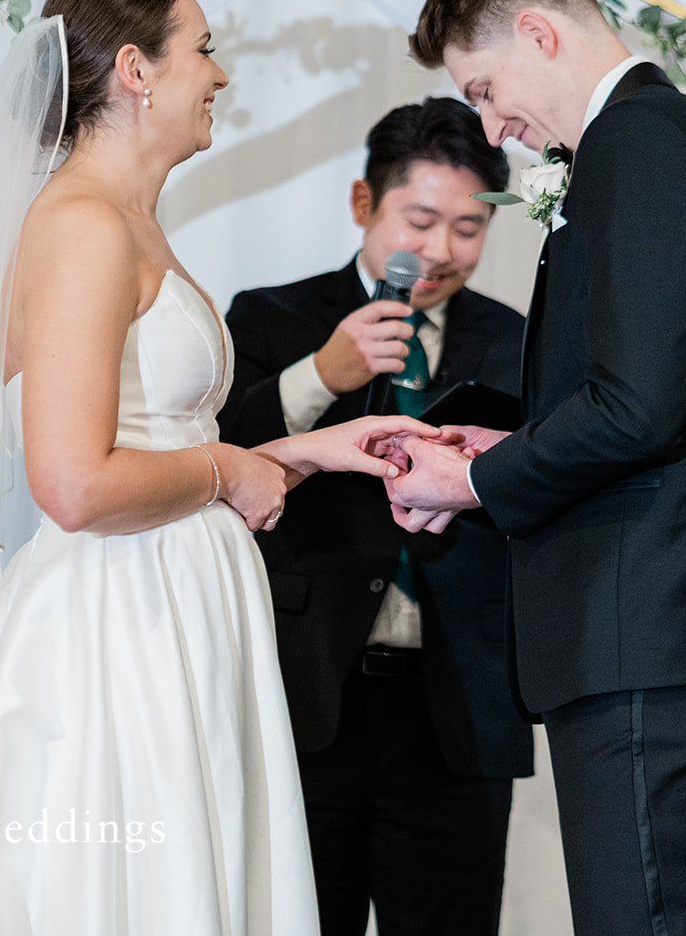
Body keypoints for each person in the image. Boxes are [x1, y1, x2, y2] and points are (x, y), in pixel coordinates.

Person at [0, 0, 446, 934]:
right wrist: (229, 469)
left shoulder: (130, 221)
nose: (220, 76)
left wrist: (319, 447)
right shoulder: (85, 224)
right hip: (117, 619)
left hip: (173, 595)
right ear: (136, 70)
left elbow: (161, 432)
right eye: (205, 49)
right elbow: (72, 480)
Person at [385, 0, 686, 934]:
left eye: (487, 87)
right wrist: (495, 450)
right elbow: (652, 393)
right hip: (657, 615)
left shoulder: (643, 144)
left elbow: (637, 405)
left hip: (648, 617)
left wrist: (471, 486)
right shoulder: (655, 141)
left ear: (540, 32)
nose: (495, 126)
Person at [218, 97, 532, 935]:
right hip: (309, 690)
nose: (439, 251)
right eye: (419, 219)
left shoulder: (516, 340)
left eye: (468, 228)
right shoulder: (268, 316)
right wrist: (320, 372)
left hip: (456, 702)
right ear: (365, 204)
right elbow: (217, 461)